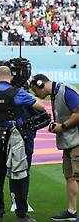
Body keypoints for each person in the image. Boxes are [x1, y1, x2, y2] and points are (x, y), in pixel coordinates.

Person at [0, 66, 44, 222]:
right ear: (11, 77)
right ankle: (21, 215)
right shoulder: (18, 93)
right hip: (15, 138)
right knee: (19, 175)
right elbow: (40, 106)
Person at [30, 74, 79, 222]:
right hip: (69, 141)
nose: (35, 94)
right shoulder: (56, 93)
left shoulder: (66, 91)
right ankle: (72, 211)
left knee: (78, 176)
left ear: (41, 84)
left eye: (35, 90)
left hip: (76, 140)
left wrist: (62, 126)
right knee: (69, 176)